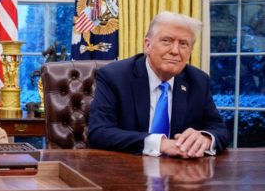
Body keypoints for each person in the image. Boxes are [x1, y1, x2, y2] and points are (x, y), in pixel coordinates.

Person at [89, 11, 229, 158]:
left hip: (180, 173)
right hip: (126, 168)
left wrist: (205, 139)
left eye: (183, 44)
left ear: (190, 52)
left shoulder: (198, 81)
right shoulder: (114, 76)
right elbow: (99, 132)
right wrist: (160, 144)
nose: (175, 51)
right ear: (148, 45)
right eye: (166, 41)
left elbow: (219, 130)